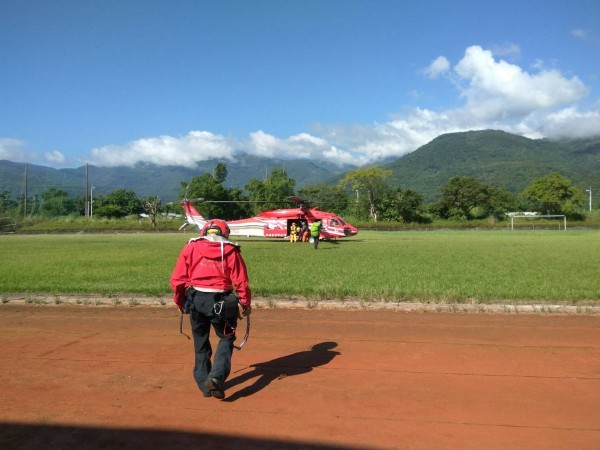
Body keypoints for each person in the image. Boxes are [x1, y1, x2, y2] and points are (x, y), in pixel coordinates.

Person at [170, 219, 251, 400]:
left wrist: (180, 302)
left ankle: (204, 383)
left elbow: (177, 280)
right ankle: (215, 377)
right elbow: (241, 281)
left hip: (196, 300)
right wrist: (245, 304)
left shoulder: (190, 247)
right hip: (221, 302)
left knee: (201, 342)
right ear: (225, 233)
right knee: (227, 337)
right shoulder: (231, 250)